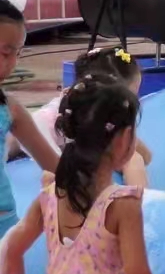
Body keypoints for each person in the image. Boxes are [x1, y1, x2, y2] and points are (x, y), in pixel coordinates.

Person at [3, 79, 162, 274]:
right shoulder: (122, 203)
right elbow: (137, 271)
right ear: (123, 139)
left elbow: (11, 248)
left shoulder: (49, 196)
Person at [0, 0, 62, 274]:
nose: (10, 63)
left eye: (16, 53)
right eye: (3, 51)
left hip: (3, 227)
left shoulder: (9, 109)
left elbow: (53, 163)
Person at [20, 47, 151, 187]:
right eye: (128, 97)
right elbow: (53, 167)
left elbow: (146, 157)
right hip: (36, 137)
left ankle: (140, 201)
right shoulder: (53, 118)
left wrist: (130, 146)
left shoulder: (111, 113)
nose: (130, 103)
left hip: (81, 144)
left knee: (134, 159)